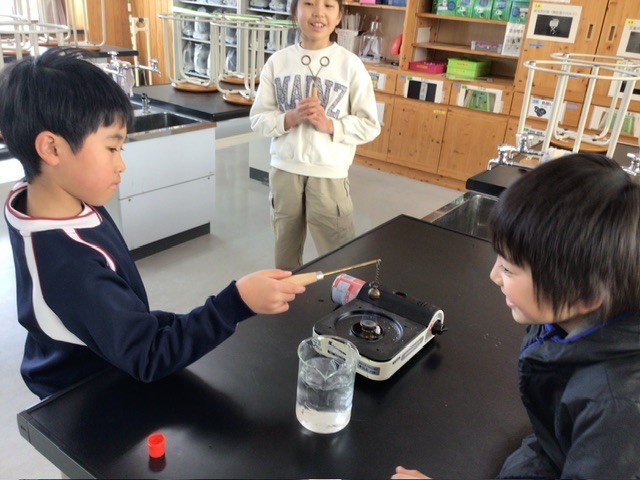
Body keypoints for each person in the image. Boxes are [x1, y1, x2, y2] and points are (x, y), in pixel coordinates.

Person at [0, 48, 306, 400]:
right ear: (51, 149)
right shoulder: (71, 268)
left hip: (106, 348)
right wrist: (236, 303)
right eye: (112, 148)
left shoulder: (44, 196)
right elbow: (147, 355)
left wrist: (167, 324)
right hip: (89, 394)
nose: (121, 165)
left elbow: (114, 318)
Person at [393, 153, 640, 479]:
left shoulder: (615, 410)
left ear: (584, 295)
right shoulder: (563, 324)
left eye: (509, 269)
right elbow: (552, 444)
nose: (494, 276)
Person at [249, 0, 381, 270]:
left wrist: (330, 125)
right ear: (294, 10)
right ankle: (288, 297)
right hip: (284, 171)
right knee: (285, 258)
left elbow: (370, 125)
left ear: (339, 15)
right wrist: (290, 118)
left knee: (340, 257)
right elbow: (258, 119)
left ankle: (339, 297)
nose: (318, 12)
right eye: (309, 3)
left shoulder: (351, 65)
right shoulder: (278, 62)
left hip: (329, 175)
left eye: (328, 5)